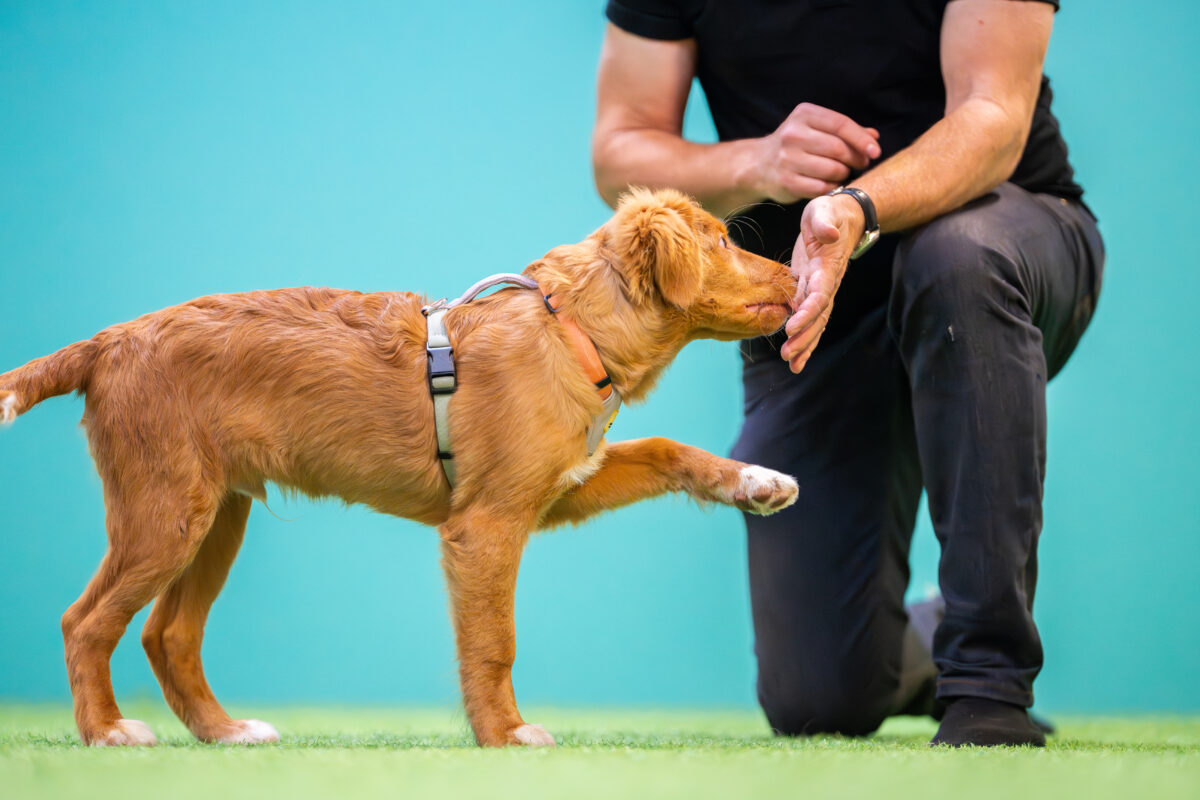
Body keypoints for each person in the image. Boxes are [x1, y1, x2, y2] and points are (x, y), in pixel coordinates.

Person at [591, 0, 1104, 746]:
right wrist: (755, 163)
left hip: (1009, 244)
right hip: (810, 312)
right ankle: (923, 643)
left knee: (953, 258)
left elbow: (993, 116)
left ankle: (987, 687)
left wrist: (859, 206)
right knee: (817, 700)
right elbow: (619, 149)